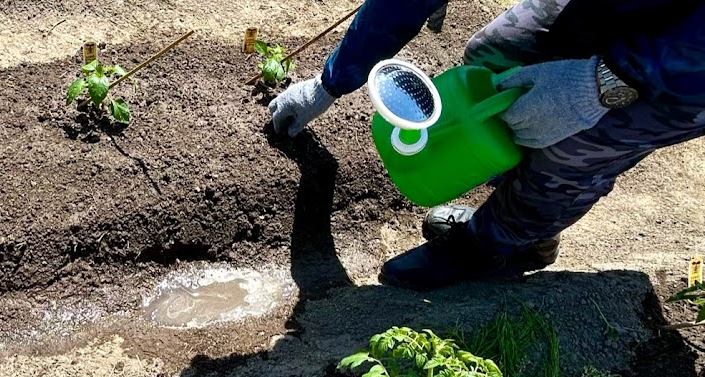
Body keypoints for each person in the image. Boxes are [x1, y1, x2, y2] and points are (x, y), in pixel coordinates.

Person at [268, 0, 705, 290]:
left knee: (573, 147)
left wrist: (607, 81)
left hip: (692, 66)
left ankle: (496, 247)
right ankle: (525, 203)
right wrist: (331, 83)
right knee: (493, 59)